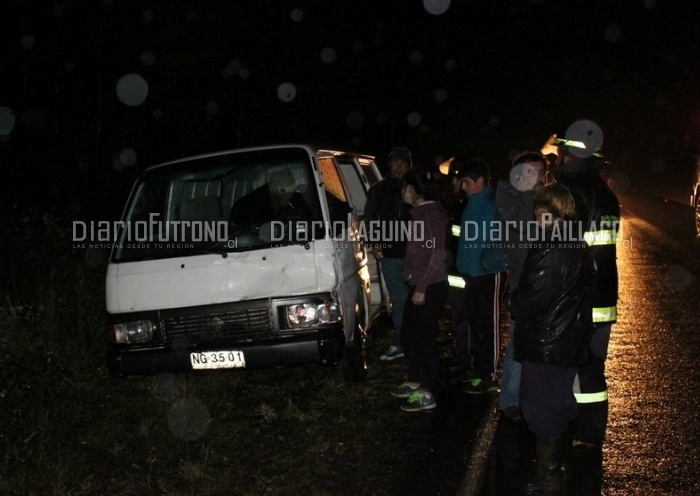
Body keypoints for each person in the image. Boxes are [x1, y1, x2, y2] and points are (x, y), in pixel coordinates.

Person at [511, 181, 593, 494]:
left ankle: (547, 475)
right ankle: (559, 466)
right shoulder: (577, 242)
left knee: (539, 405)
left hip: (547, 340)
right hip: (568, 338)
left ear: (551, 214)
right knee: (559, 401)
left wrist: (513, 301)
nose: (536, 220)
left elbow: (534, 295)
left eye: (539, 214)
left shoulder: (550, 246)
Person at [552, 120, 620, 449]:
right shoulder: (604, 194)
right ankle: (589, 431)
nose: (558, 157)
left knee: (580, 368)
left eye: (563, 152)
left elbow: (566, 252)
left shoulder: (573, 194)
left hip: (580, 299)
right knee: (591, 369)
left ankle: (583, 430)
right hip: (599, 298)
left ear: (572, 155)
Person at [390, 168, 449, 412]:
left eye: (405, 186)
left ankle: (428, 392)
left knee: (424, 339)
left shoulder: (430, 215)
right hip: (419, 284)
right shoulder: (419, 214)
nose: (402, 191)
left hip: (430, 286)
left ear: (413, 189)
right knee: (409, 335)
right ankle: (415, 382)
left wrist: (422, 287)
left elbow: (437, 254)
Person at [496, 151, 547, 419]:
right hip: (522, 285)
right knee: (518, 342)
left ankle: (536, 398)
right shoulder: (508, 196)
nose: (536, 178)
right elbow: (525, 222)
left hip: (545, 283)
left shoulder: (543, 198)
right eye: (530, 172)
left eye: (539, 172)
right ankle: (511, 399)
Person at [455, 158, 507, 394]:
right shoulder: (471, 203)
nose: (462, 187)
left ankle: (489, 375)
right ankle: (478, 370)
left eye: (466, 182)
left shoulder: (492, 205)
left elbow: (495, 241)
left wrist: (486, 263)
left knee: (489, 323)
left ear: (479, 181)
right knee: (476, 322)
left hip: (488, 273)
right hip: (471, 273)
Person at [364, 146, 413, 361]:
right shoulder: (377, 190)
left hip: (415, 256)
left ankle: (413, 341)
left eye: (404, 162)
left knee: (418, 300)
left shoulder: (416, 188)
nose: (399, 165)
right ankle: (401, 342)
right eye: (396, 161)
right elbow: (370, 218)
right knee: (400, 301)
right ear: (389, 164)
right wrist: (374, 243)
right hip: (391, 256)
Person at [443, 157, 473, 378]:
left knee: (465, 318)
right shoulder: (456, 203)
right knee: (460, 317)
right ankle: (464, 356)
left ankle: (466, 359)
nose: (453, 183)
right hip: (456, 271)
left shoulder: (467, 204)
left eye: (456, 179)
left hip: (464, 271)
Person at [230, 169, 312, 227]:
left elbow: (309, 221)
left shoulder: (296, 200)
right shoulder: (249, 206)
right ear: (272, 190)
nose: (288, 197)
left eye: (290, 193)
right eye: (284, 193)